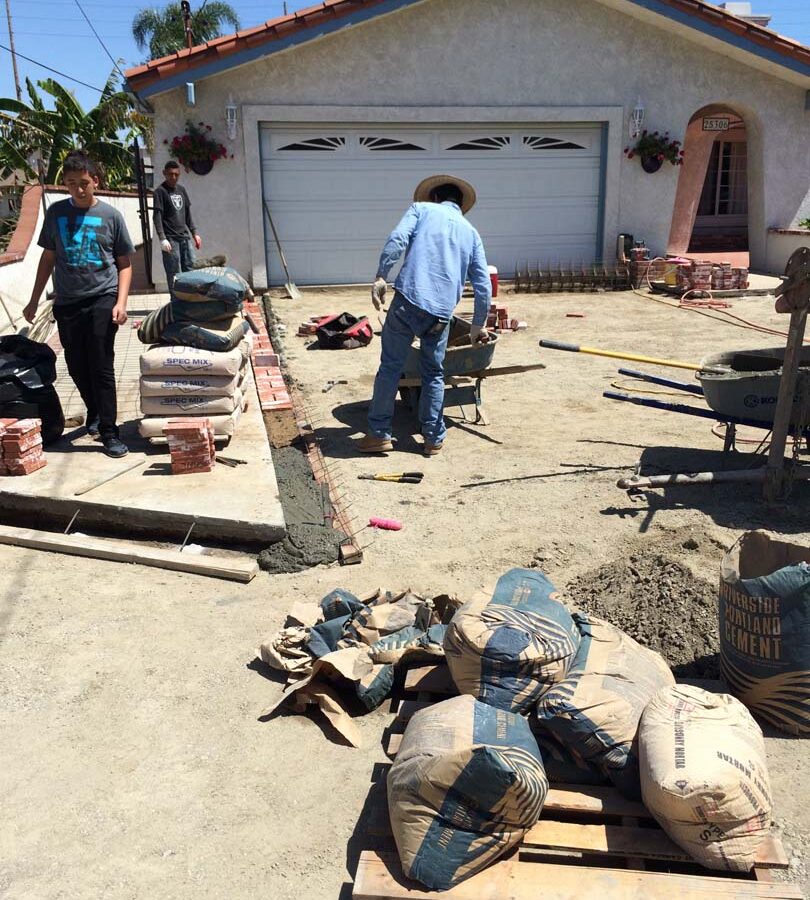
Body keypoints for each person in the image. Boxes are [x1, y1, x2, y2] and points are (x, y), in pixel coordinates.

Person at [359, 175, 492, 457]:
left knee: (391, 368)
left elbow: (397, 239)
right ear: (460, 204)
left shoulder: (421, 210)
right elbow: (483, 286)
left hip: (408, 300)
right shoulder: (472, 233)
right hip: (441, 315)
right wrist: (476, 326)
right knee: (434, 373)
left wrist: (382, 274)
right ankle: (433, 438)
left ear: (434, 197)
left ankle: (379, 433)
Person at [24, 151, 133, 459]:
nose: (78, 189)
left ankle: (110, 432)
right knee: (75, 366)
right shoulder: (57, 213)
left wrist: (121, 303)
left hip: (103, 297)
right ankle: (95, 411)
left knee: (100, 364)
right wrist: (34, 299)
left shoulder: (111, 216)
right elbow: (48, 258)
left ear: (95, 181)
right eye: (71, 184)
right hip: (68, 302)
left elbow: (124, 264)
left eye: (83, 183)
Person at [153, 160, 201, 287]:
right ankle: (176, 303)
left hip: (185, 238)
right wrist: (162, 238)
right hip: (171, 239)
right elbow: (157, 216)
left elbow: (187, 214)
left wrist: (194, 233)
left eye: (176, 174)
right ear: (164, 173)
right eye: (170, 174)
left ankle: (189, 301)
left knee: (190, 269)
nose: (173, 177)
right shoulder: (160, 192)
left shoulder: (182, 190)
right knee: (174, 273)